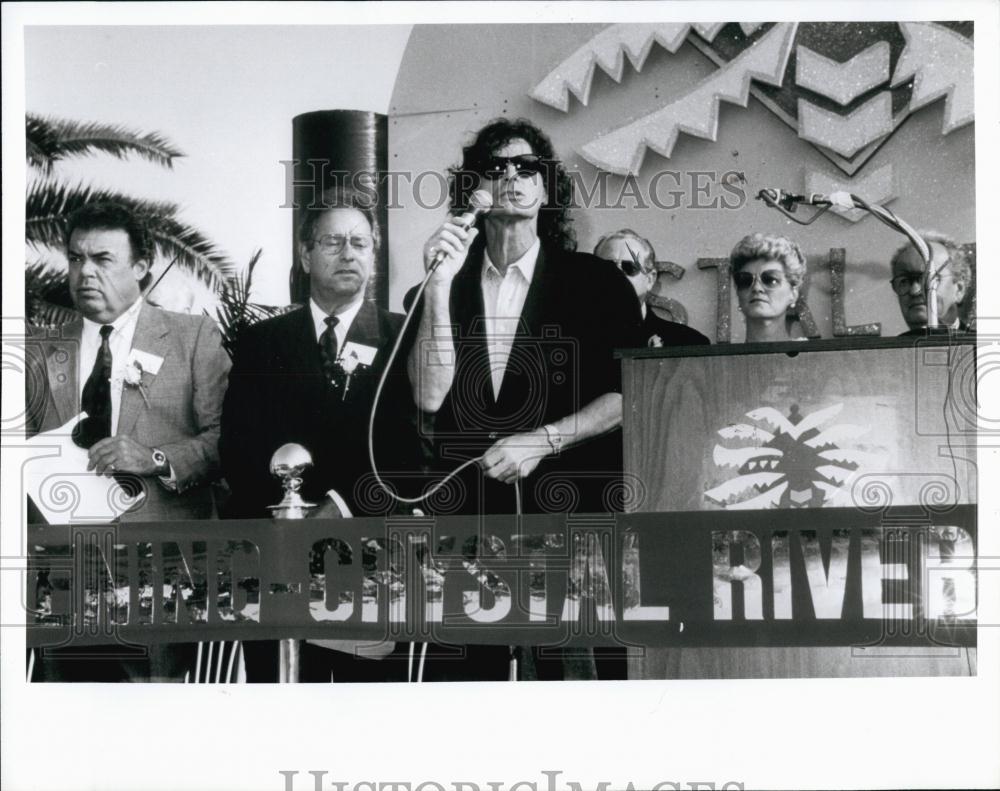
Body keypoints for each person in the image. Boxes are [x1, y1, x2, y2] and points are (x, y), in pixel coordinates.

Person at [405, 118, 642, 680]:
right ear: (473, 191)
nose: (511, 176)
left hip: (574, 528)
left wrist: (543, 440)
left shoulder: (598, 282)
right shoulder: (440, 289)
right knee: (467, 705)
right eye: (495, 167)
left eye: (526, 167)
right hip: (467, 530)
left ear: (545, 188)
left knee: (580, 707)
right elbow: (430, 398)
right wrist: (437, 288)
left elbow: (629, 396)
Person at [25, 201, 231, 681]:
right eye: (76, 259)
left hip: (165, 570)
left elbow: (226, 442)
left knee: (156, 723)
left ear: (142, 266)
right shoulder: (44, 350)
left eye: (103, 259)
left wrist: (156, 458)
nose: (85, 273)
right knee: (72, 723)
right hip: (67, 573)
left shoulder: (192, 337)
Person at [220, 187, 416, 681]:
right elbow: (237, 449)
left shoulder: (404, 337)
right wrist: (291, 523)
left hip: (369, 565)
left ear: (374, 254)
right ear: (305, 255)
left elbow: (410, 453)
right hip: (276, 567)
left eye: (360, 242)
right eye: (332, 242)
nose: (348, 253)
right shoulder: (262, 343)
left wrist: (342, 507)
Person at [593, 228, 709, 347]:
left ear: (650, 279)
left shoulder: (687, 342)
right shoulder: (577, 340)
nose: (618, 275)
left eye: (629, 267)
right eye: (608, 267)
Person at [729, 232, 808, 343]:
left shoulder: (810, 357)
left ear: (793, 294)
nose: (756, 288)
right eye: (745, 281)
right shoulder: (721, 359)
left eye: (771, 280)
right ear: (738, 292)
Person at [890, 232, 973, 335]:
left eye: (929, 278)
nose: (914, 291)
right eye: (904, 281)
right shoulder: (885, 350)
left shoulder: (982, 348)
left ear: (959, 290)